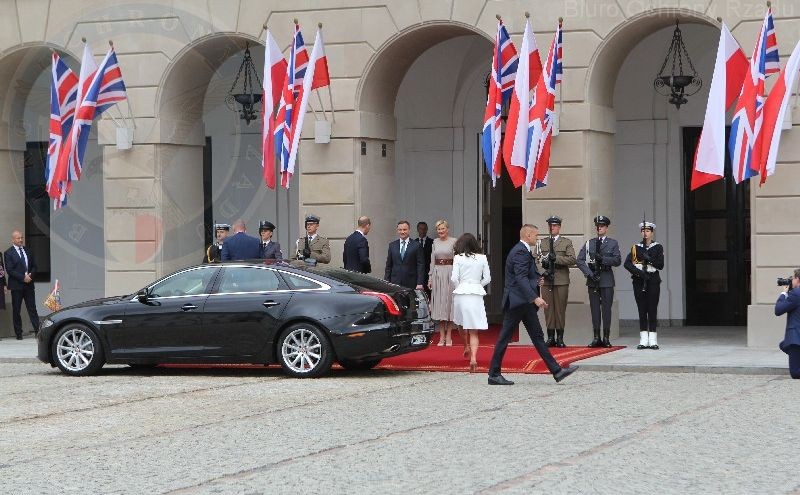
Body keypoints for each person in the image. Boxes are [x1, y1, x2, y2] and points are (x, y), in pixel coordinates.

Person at [488, 224, 578, 385]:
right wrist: (535, 298)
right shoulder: (520, 251)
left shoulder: (522, 250)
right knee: (505, 337)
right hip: (518, 301)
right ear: (528, 235)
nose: (537, 238)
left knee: (537, 337)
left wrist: (536, 280)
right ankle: (494, 374)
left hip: (524, 302)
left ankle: (557, 371)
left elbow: (524, 276)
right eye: (536, 235)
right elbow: (520, 278)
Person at [576, 215, 621, 348]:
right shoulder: (590, 243)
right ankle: (596, 337)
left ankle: (606, 337)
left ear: (606, 228)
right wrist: (589, 274)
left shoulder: (613, 243)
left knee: (606, 309)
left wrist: (603, 259)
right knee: (595, 310)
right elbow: (580, 260)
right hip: (593, 280)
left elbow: (617, 260)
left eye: (601, 226)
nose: (599, 228)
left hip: (606, 279)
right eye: (597, 226)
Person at [451, 233, 491, 372]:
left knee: (461, 325)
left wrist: (461, 286)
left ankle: (466, 346)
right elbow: (487, 279)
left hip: (461, 292)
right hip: (476, 293)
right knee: (474, 330)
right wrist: (477, 284)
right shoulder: (482, 258)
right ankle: (473, 358)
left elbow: (454, 278)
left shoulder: (458, 258)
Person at [623, 220, 665, 350]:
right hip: (639, 280)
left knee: (652, 309)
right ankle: (643, 339)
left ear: (652, 233)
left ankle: (653, 339)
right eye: (643, 231)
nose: (645, 233)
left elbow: (660, 265)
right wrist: (639, 273)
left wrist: (649, 259)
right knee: (642, 309)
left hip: (652, 280)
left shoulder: (658, 247)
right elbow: (627, 263)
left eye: (647, 231)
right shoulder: (636, 247)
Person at [536, 215, 576, 347]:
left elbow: (572, 259)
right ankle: (550, 337)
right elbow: (535, 260)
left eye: (554, 226)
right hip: (547, 280)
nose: (551, 228)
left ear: (559, 227)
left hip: (561, 280)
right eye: (550, 225)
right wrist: (543, 272)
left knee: (559, 309)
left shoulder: (566, 242)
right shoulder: (542, 242)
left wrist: (556, 258)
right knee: (548, 309)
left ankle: (560, 338)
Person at [4, 231, 40, 340]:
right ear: (13, 240)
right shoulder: (8, 253)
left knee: (32, 308)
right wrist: (23, 277)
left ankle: (38, 332)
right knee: (16, 310)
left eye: (21, 237)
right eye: (18, 238)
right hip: (16, 286)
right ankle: (18, 334)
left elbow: (34, 266)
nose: (21, 240)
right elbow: (10, 270)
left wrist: (30, 275)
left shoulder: (28, 250)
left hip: (29, 285)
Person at [429, 219, 457, 346]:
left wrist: (457, 277)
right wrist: (430, 277)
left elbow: (457, 260)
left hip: (450, 274)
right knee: (440, 305)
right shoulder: (434, 242)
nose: (440, 231)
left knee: (449, 305)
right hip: (438, 274)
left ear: (447, 229)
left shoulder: (454, 241)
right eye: (438, 229)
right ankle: (441, 337)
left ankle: (449, 336)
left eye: (442, 228)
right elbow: (432, 261)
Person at [775, 268, 800, 379]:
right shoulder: (795, 294)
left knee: (795, 373)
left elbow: (778, 310)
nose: (791, 280)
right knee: (783, 345)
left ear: (798, 279)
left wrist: (783, 293)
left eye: (793, 278)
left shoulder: (796, 294)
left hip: (796, 337)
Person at [384, 220, 424, 290]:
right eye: (400, 230)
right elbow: (388, 266)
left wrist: (419, 283)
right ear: (397, 230)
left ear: (409, 230)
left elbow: (420, 265)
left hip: (411, 282)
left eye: (405, 229)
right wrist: (386, 282)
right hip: (395, 282)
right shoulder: (392, 245)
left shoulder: (417, 245)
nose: (402, 232)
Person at [416, 222, 433, 293]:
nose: (422, 231)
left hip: (428, 273)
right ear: (417, 230)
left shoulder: (432, 242)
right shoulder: (413, 242)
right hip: (417, 274)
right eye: (420, 229)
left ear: (427, 230)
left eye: (424, 229)